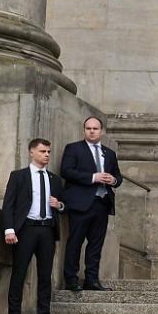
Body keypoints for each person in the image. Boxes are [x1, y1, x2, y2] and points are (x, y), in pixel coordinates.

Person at [0, 138, 67, 314]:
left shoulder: (54, 179)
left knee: (45, 276)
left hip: (47, 230)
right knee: (19, 273)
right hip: (26, 229)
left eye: (48, 152)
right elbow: (8, 205)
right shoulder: (18, 176)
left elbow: (65, 204)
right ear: (32, 152)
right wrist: (9, 229)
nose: (46, 155)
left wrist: (59, 205)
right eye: (42, 151)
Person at [58, 115, 119, 292]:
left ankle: (91, 280)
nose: (92, 131)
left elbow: (118, 176)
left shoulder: (109, 153)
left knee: (96, 245)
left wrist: (113, 180)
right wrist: (93, 177)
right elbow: (66, 171)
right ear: (84, 130)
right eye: (88, 128)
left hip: (102, 203)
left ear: (102, 131)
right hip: (80, 203)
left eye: (95, 129)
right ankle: (71, 279)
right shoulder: (73, 148)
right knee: (75, 242)